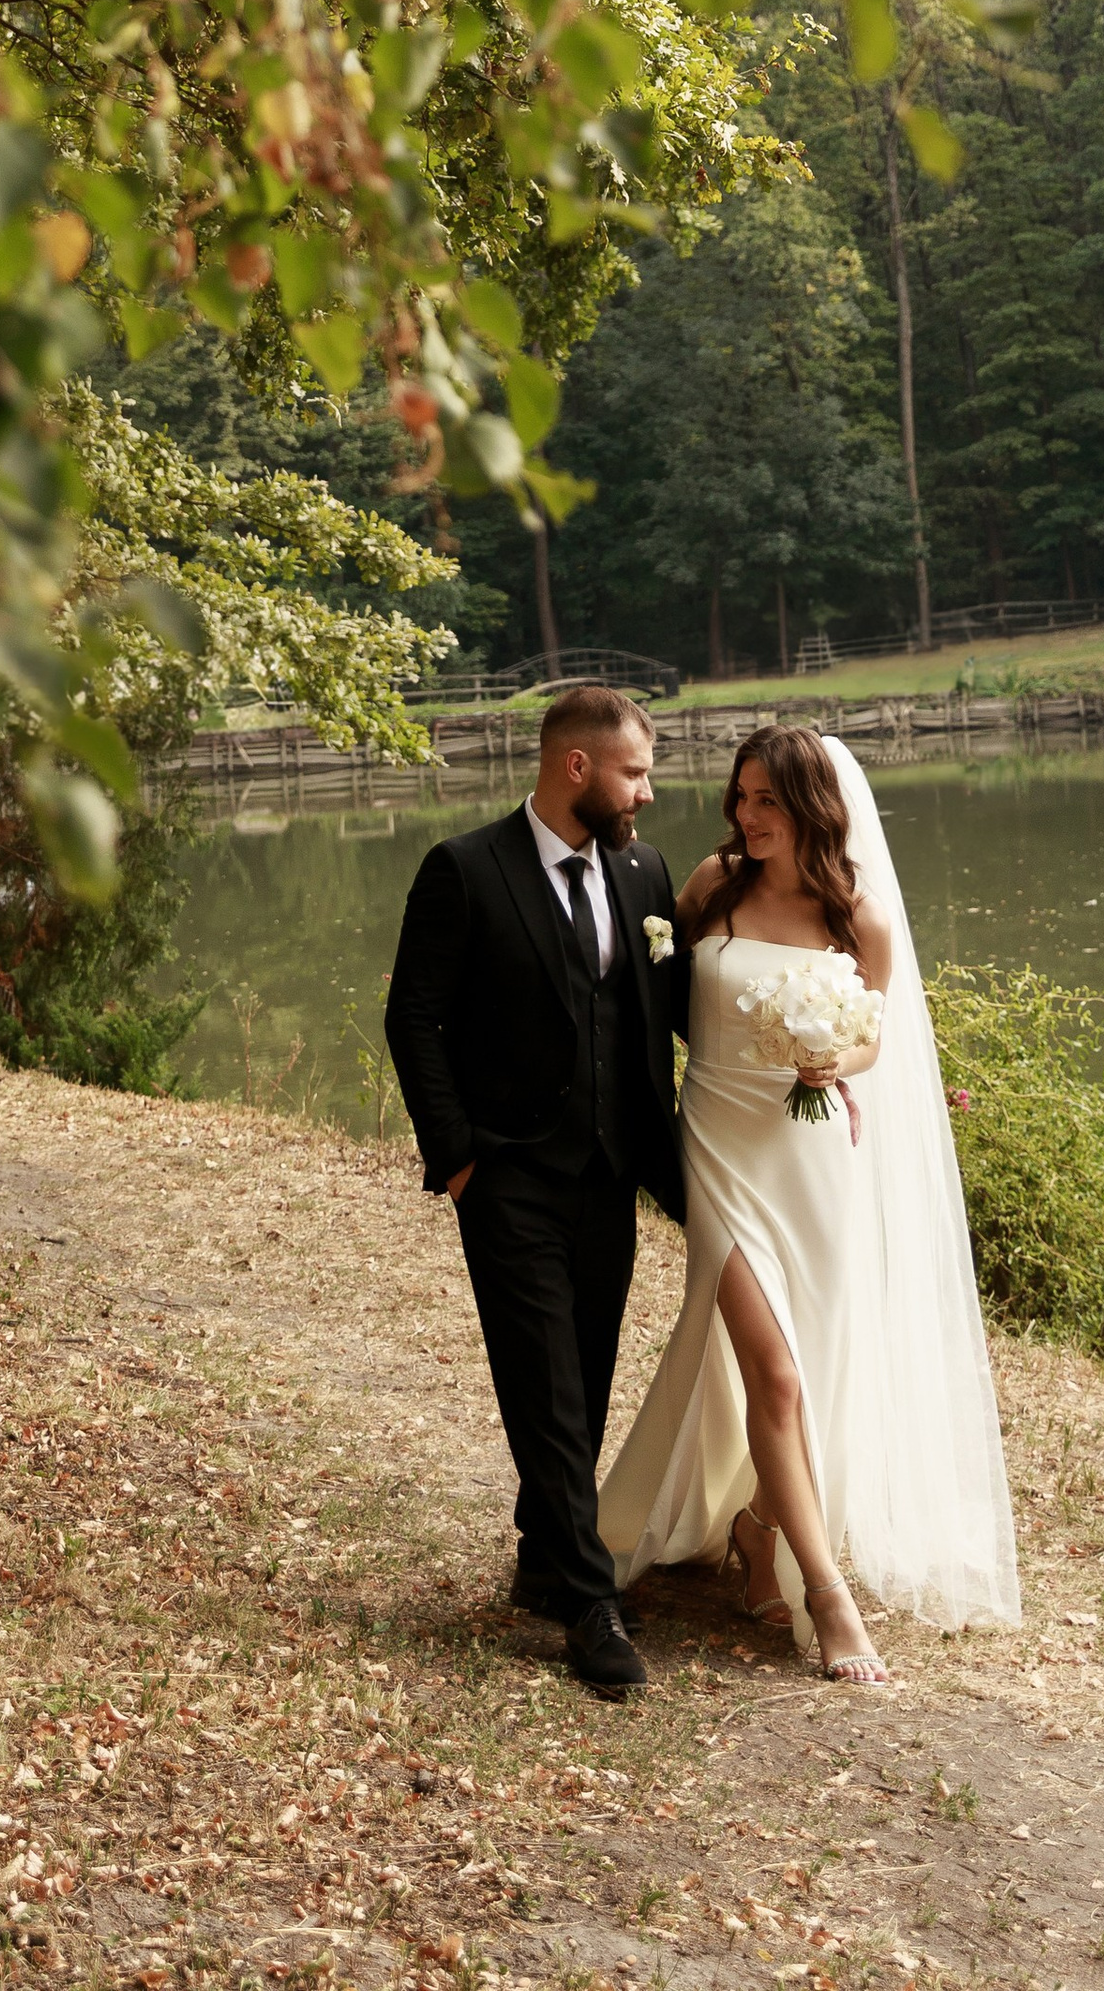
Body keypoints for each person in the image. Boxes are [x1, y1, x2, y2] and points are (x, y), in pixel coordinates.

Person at [596, 724, 1019, 1680]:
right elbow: (649, 1001)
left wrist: (837, 1059)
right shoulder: (712, 887)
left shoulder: (857, 914)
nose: (747, 818)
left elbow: (878, 1035)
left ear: (813, 808)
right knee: (776, 1376)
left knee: (810, 1369)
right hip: (717, 1149)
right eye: (740, 798)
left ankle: (756, 1526)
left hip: (815, 1154)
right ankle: (827, 1596)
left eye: (767, 802)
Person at [383, 683, 685, 1698]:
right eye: (634, 772)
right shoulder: (465, 871)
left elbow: (675, 1007)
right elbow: (413, 1019)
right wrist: (458, 1154)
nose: (647, 792)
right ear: (577, 769)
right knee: (544, 1384)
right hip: (507, 1174)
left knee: (584, 1376)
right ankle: (589, 1603)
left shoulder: (643, 872)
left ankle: (539, 1561)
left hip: (610, 1173)